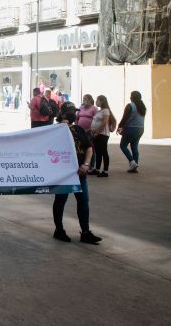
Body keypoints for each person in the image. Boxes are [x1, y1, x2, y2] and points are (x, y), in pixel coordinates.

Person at [52, 102, 103, 244]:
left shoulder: (79, 129)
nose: (73, 115)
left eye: (74, 112)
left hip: (80, 174)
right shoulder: (54, 131)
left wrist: (86, 164)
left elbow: (89, 148)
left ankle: (85, 232)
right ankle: (59, 230)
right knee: (60, 201)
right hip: (63, 175)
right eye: (70, 112)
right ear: (62, 114)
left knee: (83, 202)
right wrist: (62, 127)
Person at [117, 90, 146, 173]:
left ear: (133, 97)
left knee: (123, 145)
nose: (130, 97)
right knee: (134, 147)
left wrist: (119, 126)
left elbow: (124, 118)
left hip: (131, 129)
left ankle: (132, 162)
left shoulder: (130, 106)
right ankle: (135, 166)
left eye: (131, 96)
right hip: (140, 129)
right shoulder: (142, 107)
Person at [89, 95, 116, 177]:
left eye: (98, 100)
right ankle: (97, 169)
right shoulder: (100, 111)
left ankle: (105, 171)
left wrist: (97, 132)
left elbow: (104, 123)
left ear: (102, 101)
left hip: (102, 134)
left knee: (104, 152)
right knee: (98, 152)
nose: (96, 102)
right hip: (97, 134)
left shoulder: (106, 111)